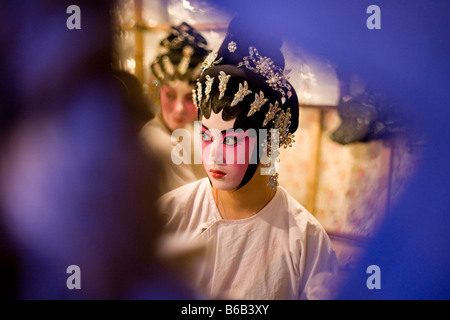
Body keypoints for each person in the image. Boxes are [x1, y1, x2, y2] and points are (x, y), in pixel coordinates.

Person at [157, 15, 338, 300]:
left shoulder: (305, 240)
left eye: (231, 140)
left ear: (269, 141)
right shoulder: (171, 214)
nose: (214, 154)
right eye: (206, 135)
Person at [140, 22, 210, 195]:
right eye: (170, 95)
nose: (178, 108)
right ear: (158, 92)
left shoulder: (198, 134)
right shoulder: (156, 141)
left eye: (189, 98)